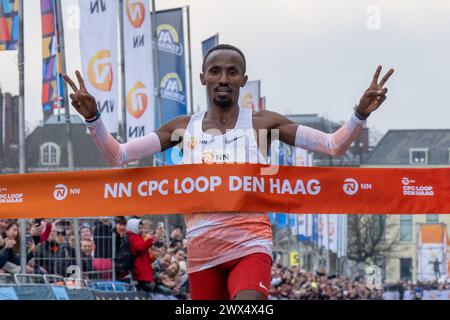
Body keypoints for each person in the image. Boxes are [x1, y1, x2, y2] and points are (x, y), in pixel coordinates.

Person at [64, 44, 394, 300]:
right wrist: (94, 120)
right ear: (203, 77)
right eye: (216, 71)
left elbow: (333, 145)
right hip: (202, 251)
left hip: (251, 244)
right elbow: (118, 155)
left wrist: (359, 114)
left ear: (243, 80)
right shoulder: (182, 128)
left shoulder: (264, 124)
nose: (224, 78)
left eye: (233, 72)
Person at [126, 218, 156, 292]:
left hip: (141, 266)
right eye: (139, 227)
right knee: (145, 288)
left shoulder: (134, 236)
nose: (141, 230)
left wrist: (150, 240)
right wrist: (149, 239)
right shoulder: (134, 237)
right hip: (140, 267)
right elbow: (141, 247)